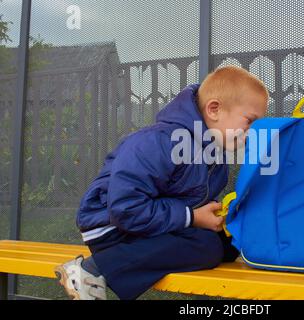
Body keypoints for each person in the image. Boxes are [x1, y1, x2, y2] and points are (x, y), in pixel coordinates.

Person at [55, 66, 269, 300]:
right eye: (250, 122)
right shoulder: (159, 141)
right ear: (214, 109)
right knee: (206, 246)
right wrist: (193, 218)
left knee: (227, 242)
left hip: (154, 225)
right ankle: (91, 269)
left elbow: (189, 201)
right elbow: (125, 209)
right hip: (113, 228)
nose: (253, 132)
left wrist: (215, 216)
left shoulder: (214, 156)